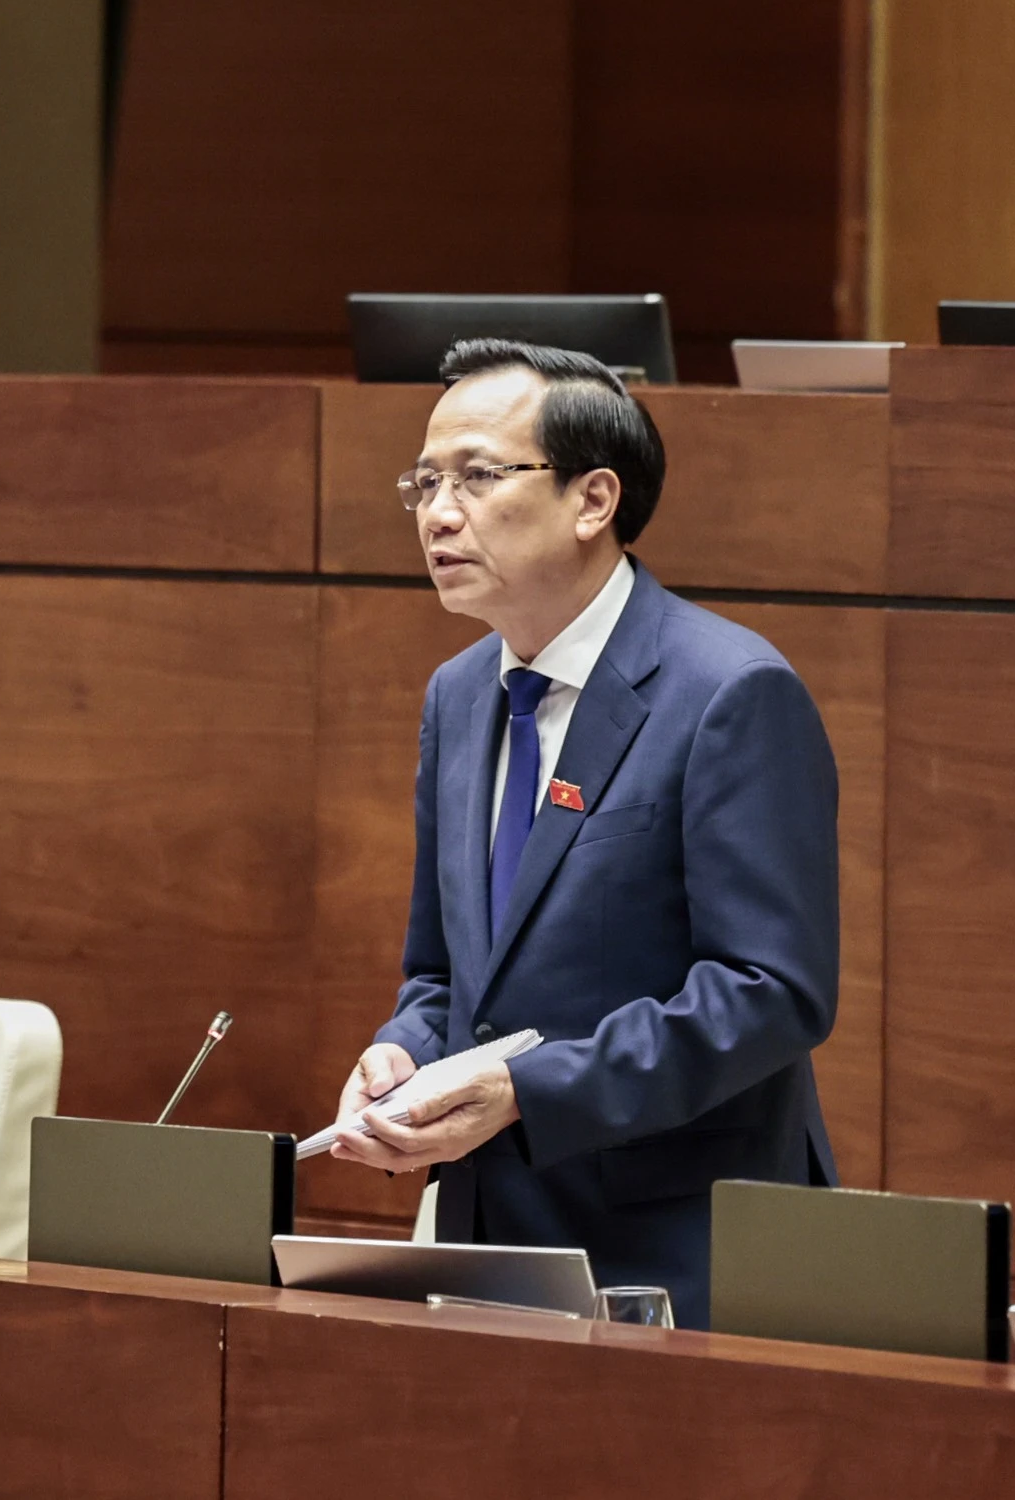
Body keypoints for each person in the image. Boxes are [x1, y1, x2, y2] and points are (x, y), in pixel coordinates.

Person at [326, 337, 840, 1328]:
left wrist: (527, 1086)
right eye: (425, 481)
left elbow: (770, 992)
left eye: (478, 476)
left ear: (593, 500)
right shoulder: (461, 694)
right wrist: (402, 1050)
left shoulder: (728, 692)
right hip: (491, 1240)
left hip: (678, 1254)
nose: (438, 512)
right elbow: (446, 974)